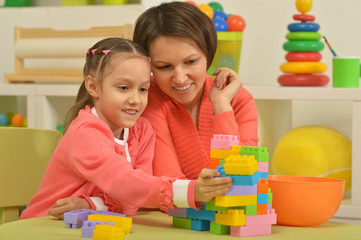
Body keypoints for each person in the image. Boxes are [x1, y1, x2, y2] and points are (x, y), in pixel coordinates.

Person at [20, 37, 232, 219]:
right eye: (123, 88)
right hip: (45, 223)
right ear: (93, 87)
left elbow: (132, 202)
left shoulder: (143, 131)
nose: (135, 100)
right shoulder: (86, 132)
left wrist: (92, 205)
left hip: (91, 224)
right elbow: (125, 183)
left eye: (142, 89)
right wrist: (190, 190)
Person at [132, 1, 258, 182]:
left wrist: (221, 106)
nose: (180, 78)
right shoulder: (147, 98)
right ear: (149, 65)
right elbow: (170, 185)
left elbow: (242, 180)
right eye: (164, 67)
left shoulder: (239, 100)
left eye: (191, 62)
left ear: (208, 53)